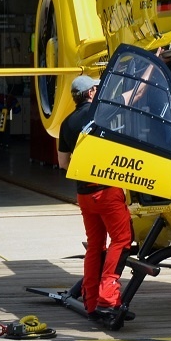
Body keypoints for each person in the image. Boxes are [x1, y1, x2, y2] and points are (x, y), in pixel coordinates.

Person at [56, 74, 134, 321]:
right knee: (122, 240)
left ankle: (90, 301)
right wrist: (152, 67)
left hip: (83, 194)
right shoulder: (100, 112)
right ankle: (108, 297)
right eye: (97, 88)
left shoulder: (66, 123)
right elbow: (136, 95)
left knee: (95, 246)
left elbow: (62, 163)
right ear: (91, 93)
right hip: (106, 189)